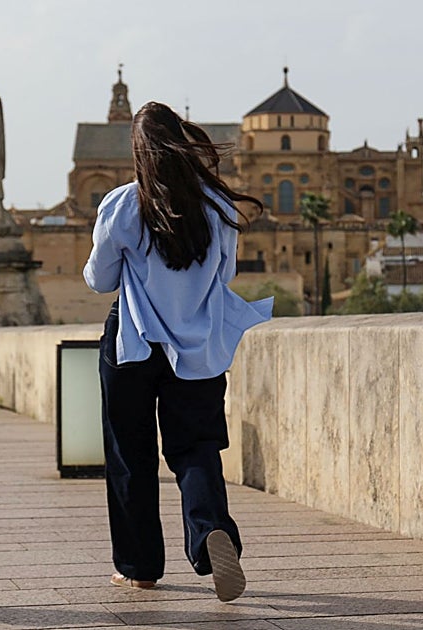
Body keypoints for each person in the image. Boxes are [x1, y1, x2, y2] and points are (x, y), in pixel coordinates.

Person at [84, 101, 272, 603]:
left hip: (134, 343)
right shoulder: (219, 207)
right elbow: (225, 275)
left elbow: (100, 279)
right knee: (196, 447)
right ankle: (213, 535)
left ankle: (139, 567)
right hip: (198, 347)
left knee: (130, 453)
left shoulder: (123, 204)